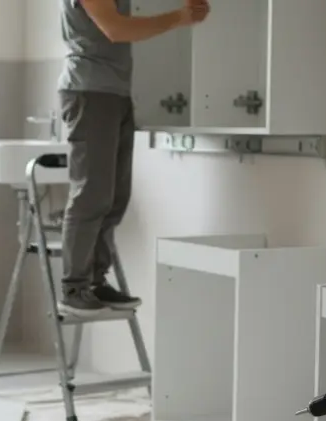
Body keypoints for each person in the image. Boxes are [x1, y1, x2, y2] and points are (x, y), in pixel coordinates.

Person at [56, 0, 210, 317]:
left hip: (115, 93)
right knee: (91, 194)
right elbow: (116, 29)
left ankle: (95, 281)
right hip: (90, 90)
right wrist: (179, 17)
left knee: (114, 197)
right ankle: (74, 288)